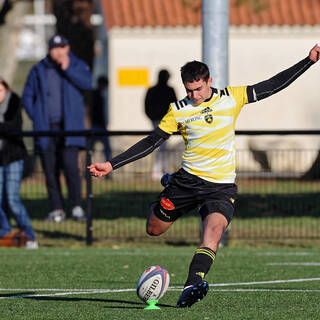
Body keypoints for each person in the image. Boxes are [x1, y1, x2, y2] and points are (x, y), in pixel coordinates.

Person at [88, 44, 320, 308]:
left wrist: (308, 61)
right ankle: (168, 185)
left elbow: (271, 85)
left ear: (209, 81)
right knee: (154, 229)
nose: (194, 95)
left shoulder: (231, 97)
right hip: (186, 183)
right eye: (189, 90)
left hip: (221, 187)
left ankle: (192, 284)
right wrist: (111, 164)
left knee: (213, 232)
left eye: (198, 88)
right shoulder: (178, 110)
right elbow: (152, 142)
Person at [22, 34, 92, 222]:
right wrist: (36, 117)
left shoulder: (77, 65)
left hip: (70, 129)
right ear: (50, 50)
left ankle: (76, 207)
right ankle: (57, 210)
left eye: (62, 48)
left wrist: (67, 69)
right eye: (55, 48)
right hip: (46, 129)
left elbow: (87, 83)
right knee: (50, 170)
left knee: (71, 167)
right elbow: (27, 96)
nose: (59, 52)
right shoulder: (39, 69)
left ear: (67, 48)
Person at [0, 78, 38, 249]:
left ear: (6, 89)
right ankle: (6, 231)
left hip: (14, 157)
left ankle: (30, 235)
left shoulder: (14, 102)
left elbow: (13, 128)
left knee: (12, 198)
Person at [145, 69, 177, 180]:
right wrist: (153, 117)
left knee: (163, 145)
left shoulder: (156, 90)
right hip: (159, 120)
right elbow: (148, 106)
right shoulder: (163, 90)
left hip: (164, 120)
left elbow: (174, 105)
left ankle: (163, 170)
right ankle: (158, 171)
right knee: (161, 145)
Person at [90, 75, 112, 162]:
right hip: (98, 126)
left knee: (91, 149)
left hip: (96, 125)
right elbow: (99, 113)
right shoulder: (98, 96)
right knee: (106, 149)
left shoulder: (96, 95)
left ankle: (88, 169)